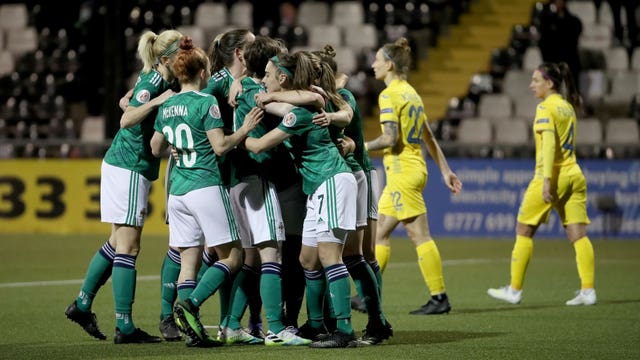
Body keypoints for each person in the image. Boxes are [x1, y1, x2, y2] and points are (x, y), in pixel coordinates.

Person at [64, 29, 181, 344]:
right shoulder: (157, 83)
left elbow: (126, 100)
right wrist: (157, 100)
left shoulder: (159, 79)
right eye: (181, 50)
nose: (186, 55)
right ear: (167, 57)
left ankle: (83, 303)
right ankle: (124, 326)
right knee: (129, 246)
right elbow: (126, 118)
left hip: (126, 165)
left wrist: (140, 99)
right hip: (129, 166)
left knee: (118, 241)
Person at [150, 36, 263, 347]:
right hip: (205, 186)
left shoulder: (169, 104)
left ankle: (192, 330)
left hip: (178, 191)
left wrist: (178, 144)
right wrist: (244, 129)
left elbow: (155, 146)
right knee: (235, 255)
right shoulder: (206, 102)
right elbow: (220, 146)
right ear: (202, 73)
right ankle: (191, 304)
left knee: (189, 260)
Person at [246, 51, 358, 348]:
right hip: (318, 187)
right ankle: (317, 324)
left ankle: (345, 330)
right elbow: (294, 103)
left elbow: (257, 146)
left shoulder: (302, 109)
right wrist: (266, 97)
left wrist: (240, 133)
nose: (264, 80)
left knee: (328, 256)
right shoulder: (302, 103)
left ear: (283, 78)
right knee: (307, 259)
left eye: (268, 75)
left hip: (332, 181)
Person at [221, 35, 311, 346]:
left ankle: (232, 325)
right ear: (268, 67)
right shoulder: (259, 93)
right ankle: (277, 328)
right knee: (272, 252)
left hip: (239, 179)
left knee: (251, 260)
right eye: (277, 62)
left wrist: (239, 79)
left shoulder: (243, 87)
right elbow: (299, 106)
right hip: (259, 177)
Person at [365, 37, 462, 315]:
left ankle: (439, 296)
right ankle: (369, 293)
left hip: (402, 172)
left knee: (419, 235)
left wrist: (359, 147)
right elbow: (428, 135)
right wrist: (444, 170)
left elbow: (389, 137)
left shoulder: (390, 94)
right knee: (380, 233)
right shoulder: (411, 92)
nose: (373, 65)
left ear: (390, 64)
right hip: (412, 168)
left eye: (377, 60)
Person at [488, 62, 596, 306]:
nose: (531, 85)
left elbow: (549, 145)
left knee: (523, 230)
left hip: (552, 175)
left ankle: (514, 290)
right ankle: (588, 290)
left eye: (536, 80)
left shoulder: (545, 108)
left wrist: (547, 181)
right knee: (578, 235)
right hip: (574, 174)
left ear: (549, 83)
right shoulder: (568, 107)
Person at [538, 0, 582, 86]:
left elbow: (573, 39)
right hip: (553, 60)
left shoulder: (574, 21)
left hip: (570, 61)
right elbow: (543, 42)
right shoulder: (546, 21)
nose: (559, 3)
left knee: (571, 90)